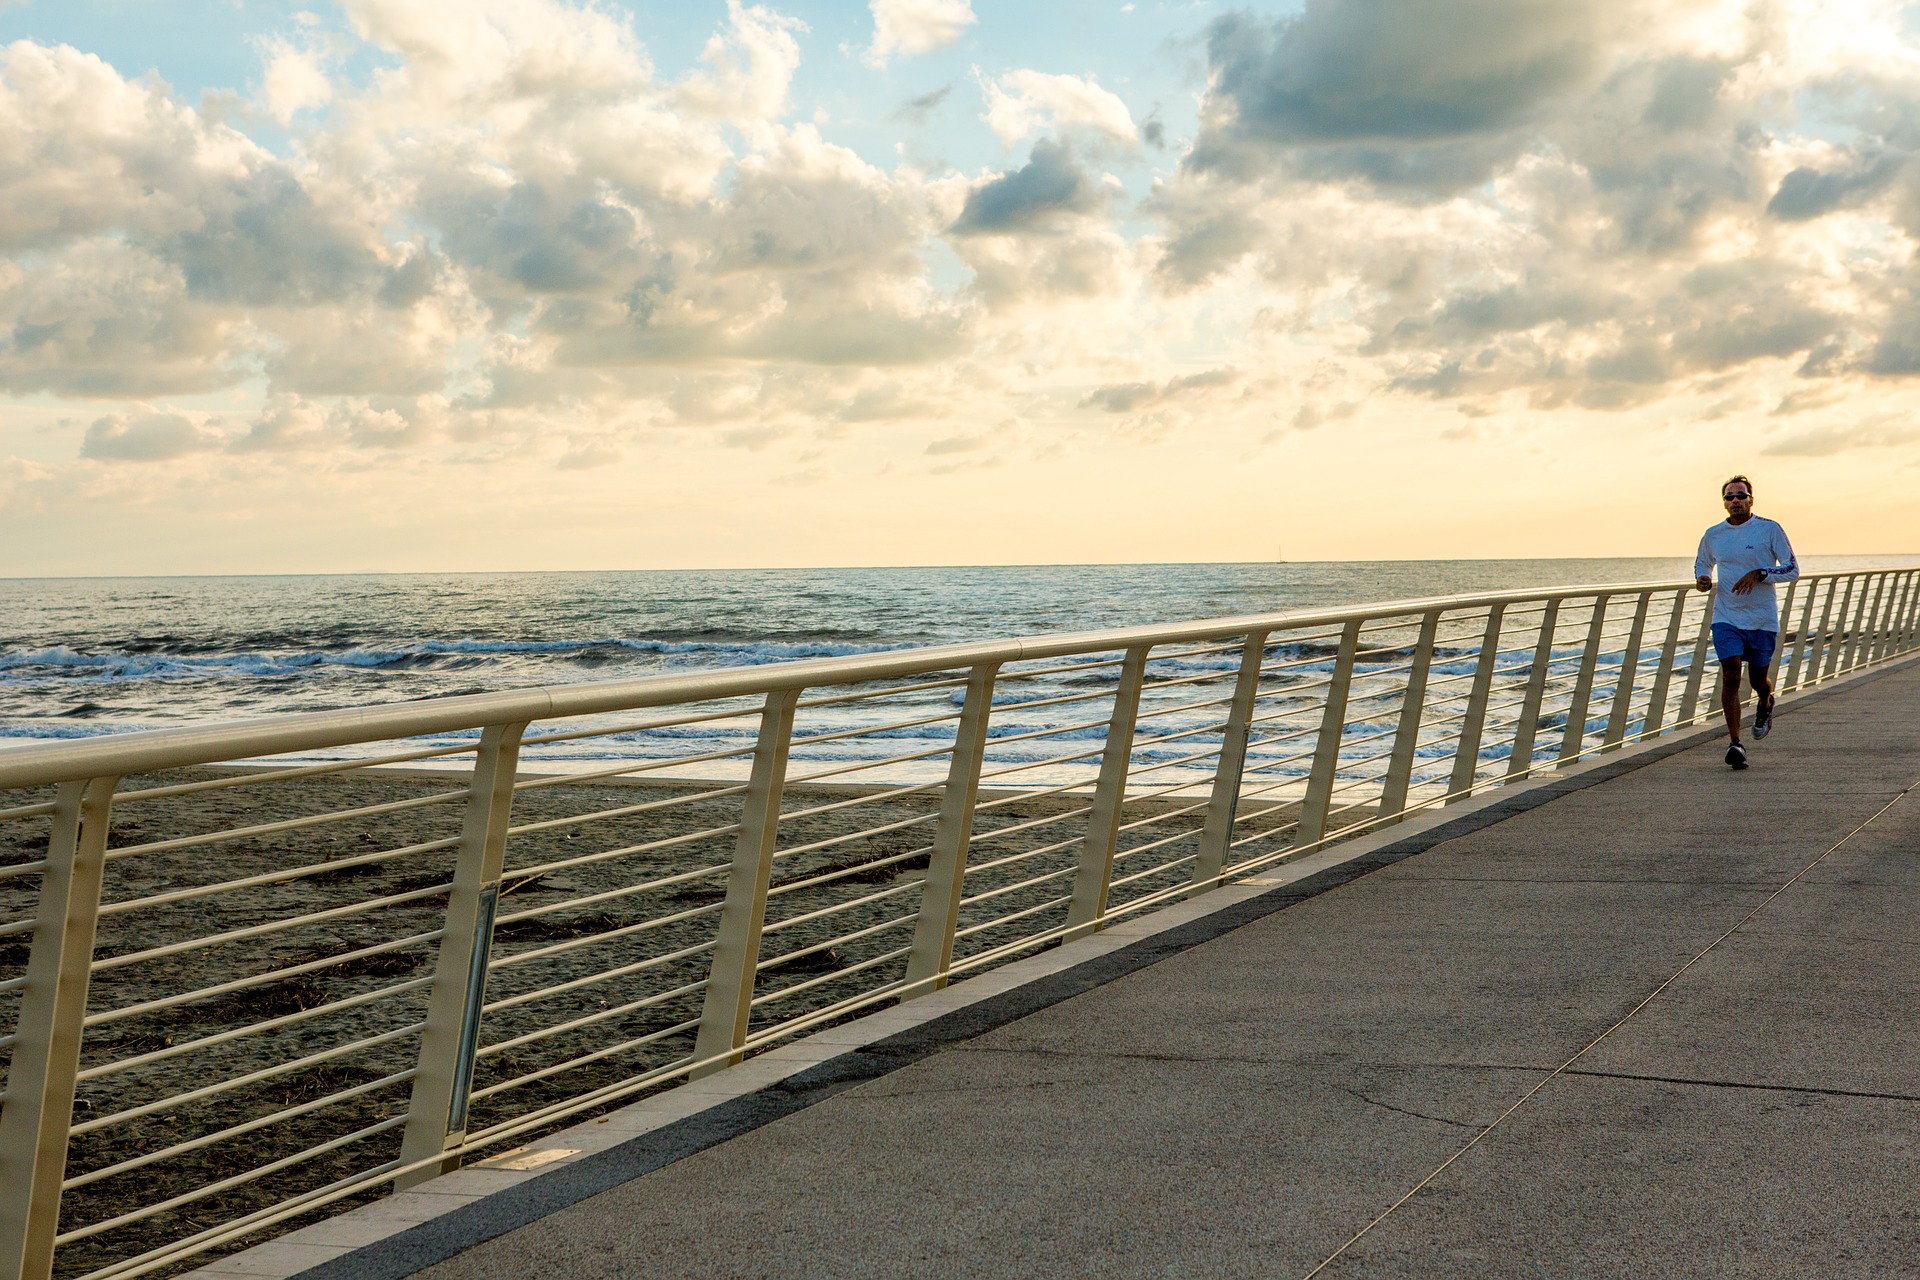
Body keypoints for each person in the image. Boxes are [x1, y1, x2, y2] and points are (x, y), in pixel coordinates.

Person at [1694, 475, 1798, 770]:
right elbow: (1703, 562)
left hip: (1762, 618)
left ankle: (1766, 702)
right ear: (1724, 502)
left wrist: (1760, 574)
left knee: (1757, 682)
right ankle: (1735, 743)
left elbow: (1792, 569)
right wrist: (1703, 578)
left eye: (1741, 496)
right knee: (1730, 674)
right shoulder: (1714, 534)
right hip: (1726, 616)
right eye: (1730, 497)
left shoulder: (1769, 529)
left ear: (1751, 499)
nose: (1735, 501)